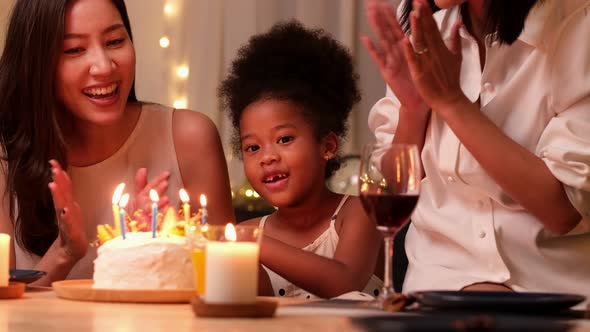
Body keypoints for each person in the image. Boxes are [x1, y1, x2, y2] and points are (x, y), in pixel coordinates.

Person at [362, 0, 590, 297]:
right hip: (432, 298)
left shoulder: (577, 23)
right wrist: (412, 107)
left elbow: (564, 210)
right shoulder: (425, 26)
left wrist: (452, 103)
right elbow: (388, 195)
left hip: (552, 300)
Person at [0, 0, 234, 286]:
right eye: (75, 49)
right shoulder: (6, 153)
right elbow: (7, 314)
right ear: (36, 64)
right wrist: (65, 251)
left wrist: (154, 248)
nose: (104, 66)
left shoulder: (189, 137)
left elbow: (232, 288)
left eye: (114, 41)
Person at [219, 21, 383, 299]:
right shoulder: (243, 232)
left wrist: (255, 244)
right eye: (253, 147)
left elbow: (344, 283)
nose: (267, 157)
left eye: (284, 139)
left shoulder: (357, 212)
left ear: (327, 145)